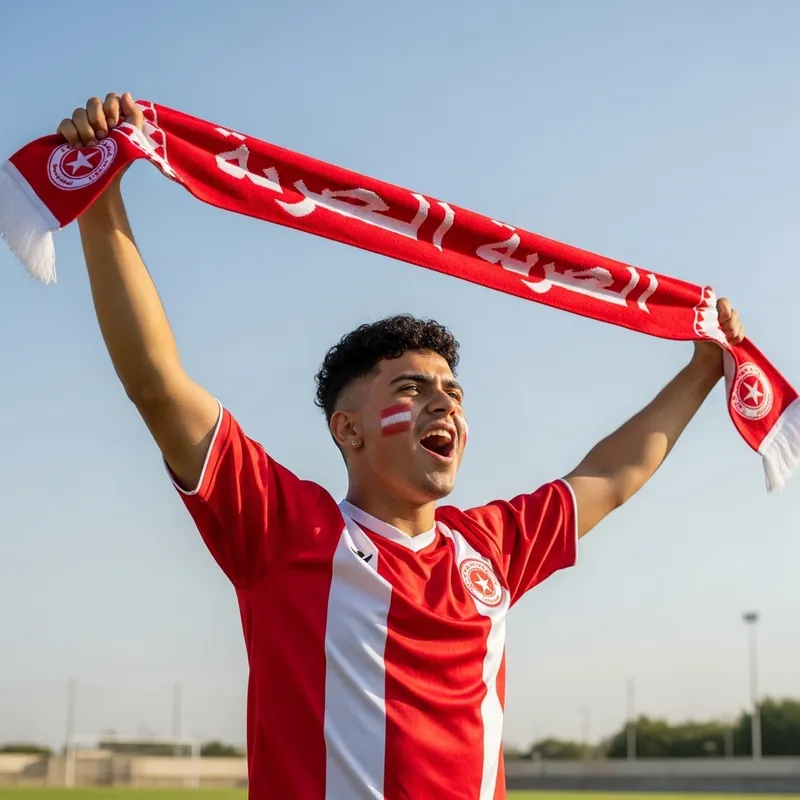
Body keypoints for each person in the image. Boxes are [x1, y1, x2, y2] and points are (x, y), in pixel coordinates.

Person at [58, 93, 744, 800]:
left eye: (453, 390)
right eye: (411, 389)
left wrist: (700, 371)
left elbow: (613, 471)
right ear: (347, 429)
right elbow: (158, 385)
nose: (444, 400)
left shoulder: (492, 549)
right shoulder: (282, 526)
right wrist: (98, 190)